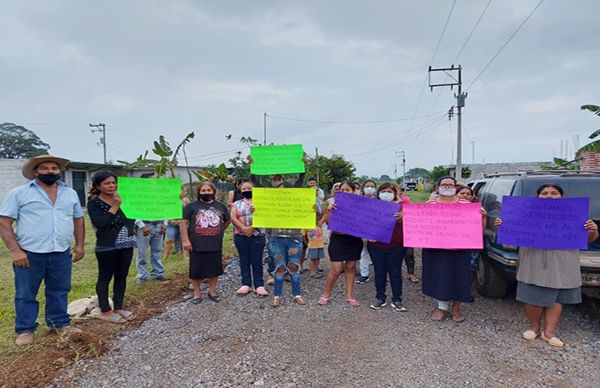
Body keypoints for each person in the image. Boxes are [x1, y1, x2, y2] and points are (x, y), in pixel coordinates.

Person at [495, 184, 598, 347]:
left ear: (561, 197)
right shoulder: (524, 214)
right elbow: (510, 239)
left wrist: (592, 231)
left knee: (557, 297)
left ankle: (549, 332)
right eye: (544, 193)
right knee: (532, 295)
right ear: (538, 197)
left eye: (554, 193)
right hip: (534, 260)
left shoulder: (574, 215)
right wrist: (503, 226)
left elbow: (587, 240)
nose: (549, 195)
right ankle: (534, 328)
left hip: (562, 261)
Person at [0, 155, 85, 346]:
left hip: (61, 252)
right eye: (44, 168)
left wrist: (79, 245)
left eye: (54, 168)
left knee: (59, 290)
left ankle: (59, 323)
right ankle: (25, 329)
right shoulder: (19, 193)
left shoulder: (70, 193)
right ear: (35, 172)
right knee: (26, 293)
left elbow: (78, 220)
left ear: (59, 171)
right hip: (29, 253)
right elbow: (4, 222)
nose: (50, 171)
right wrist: (15, 251)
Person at [421, 176, 485, 322]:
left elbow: (477, 227)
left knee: (460, 276)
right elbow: (420, 225)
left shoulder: (467, 204)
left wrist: (482, 217)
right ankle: (442, 307)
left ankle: (456, 308)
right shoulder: (429, 204)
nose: (447, 187)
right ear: (438, 188)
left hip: (460, 249)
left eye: (451, 185)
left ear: (456, 187)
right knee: (440, 277)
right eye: (444, 184)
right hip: (436, 249)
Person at [87, 171, 137, 324]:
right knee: (105, 276)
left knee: (121, 276)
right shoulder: (94, 203)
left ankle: (119, 307)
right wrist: (115, 206)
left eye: (113, 183)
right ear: (98, 186)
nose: (111, 186)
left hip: (127, 242)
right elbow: (101, 223)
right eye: (107, 183)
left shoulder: (125, 199)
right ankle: (105, 310)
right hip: (107, 245)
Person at [181, 182, 231, 304]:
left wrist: (219, 230)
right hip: (196, 244)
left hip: (215, 243)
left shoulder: (221, 206)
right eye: (203, 191)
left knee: (215, 269)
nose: (206, 193)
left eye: (209, 190)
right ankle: (197, 294)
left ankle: (212, 291)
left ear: (214, 192)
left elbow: (228, 220)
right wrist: (186, 240)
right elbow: (183, 223)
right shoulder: (191, 206)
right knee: (196, 270)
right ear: (199, 192)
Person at [318, 181, 363, 307]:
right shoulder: (332, 203)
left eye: (347, 190)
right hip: (338, 239)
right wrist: (329, 211)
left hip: (354, 240)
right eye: (342, 190)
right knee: (336, 269)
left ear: (353, 191)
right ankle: (326, 294)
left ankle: (349, 296)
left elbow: (366, 222)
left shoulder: (360, 205)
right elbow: (326, 223)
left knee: (351, 267)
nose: (344, 192)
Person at [367, 182, 407, 311]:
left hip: (397, 246)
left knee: (395, 272)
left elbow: (417, 219)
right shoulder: (371, 206)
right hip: (376, 245)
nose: (386, 194)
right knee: (379, 272)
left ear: (395, 193)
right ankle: (380, 298)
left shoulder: (403, 207)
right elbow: (363, 222)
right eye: (383, 191)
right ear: (378, 193)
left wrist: (405, 216)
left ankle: (397, 299)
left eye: (389, 192)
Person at [267, 182, 307, 307]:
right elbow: (265, 224)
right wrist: (257, 212)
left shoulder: (299, 205)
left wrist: (313, 209)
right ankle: (277, 296)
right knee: (279, 267)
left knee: (294, 266)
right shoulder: (271, 205)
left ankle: (297, 294)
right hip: (277, 239)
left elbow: (311, 216)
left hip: (293, 238)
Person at [231, 181, 268, 296]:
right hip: (240, 235)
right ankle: (246, 284)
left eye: (249, 188)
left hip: (258, 235)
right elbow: (233, 217)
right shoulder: (236, 204)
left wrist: (252, 228)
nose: (247, 190)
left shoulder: (261, 203)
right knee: (244, 260)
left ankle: (259, 285)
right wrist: (244, 228)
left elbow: (265, 216)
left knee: (257, 260)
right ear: (240, 190)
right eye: (244, 189)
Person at [393, 184, 419, 284]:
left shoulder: (406, 201)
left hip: (407, 232)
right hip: (392, 234)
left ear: (401, 192)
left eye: (397, 190)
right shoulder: (385, 202)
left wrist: (406, 213)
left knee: (409, 254)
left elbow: (415, 212)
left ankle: (411, 273)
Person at [135, 217, 168, 284]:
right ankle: (142, 275)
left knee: (157, 251)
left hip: (159, 225)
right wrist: (141, 225)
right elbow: (135, 211)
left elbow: (165, 209)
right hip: (144, 224)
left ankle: (158, 273)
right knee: (142, 252)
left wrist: (165, 223)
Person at [356, 180, 377, 284]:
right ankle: (364, 275)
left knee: (378, 254)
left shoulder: (380, 201)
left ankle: (380, 274)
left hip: (377, 232)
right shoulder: (358, 201)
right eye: (367, 186)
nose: (369, 188)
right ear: (363, 188)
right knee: (363, 253)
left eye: (372, 186)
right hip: (362, 231)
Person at [163, 186, 192, 260]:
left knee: (184, 238)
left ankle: (185, 256)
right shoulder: (170, 200)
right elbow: (166, 211)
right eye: (184, 191)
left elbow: (190, 212)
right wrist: (171, 219)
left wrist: (181, 221)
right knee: (169, 240)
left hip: (183, 223)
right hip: (172, 223)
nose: (185, 193)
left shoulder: (186, 200)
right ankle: (165, 257)